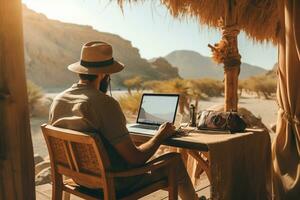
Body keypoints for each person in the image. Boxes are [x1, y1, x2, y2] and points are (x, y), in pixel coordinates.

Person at [49, 41, 199, 199]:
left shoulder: (59, 100)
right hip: (113, 183)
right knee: (174, 161)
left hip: (78, 179)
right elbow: (136, 159)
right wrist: (161, 135)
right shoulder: (104, 103)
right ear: (103, 75)